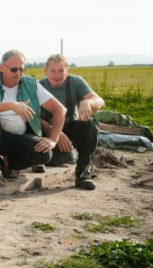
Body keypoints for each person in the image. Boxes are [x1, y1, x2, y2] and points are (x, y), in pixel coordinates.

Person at [0, 50, 66, 184]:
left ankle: (9, 165)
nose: (18, 73)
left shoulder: (31, 84)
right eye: (13, 69)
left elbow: (60, 109)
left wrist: (53, 139)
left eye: (22, 69)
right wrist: (12, 105)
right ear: (2, 67)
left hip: (21, 136)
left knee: (45, 153)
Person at [39, 54, 105, 190]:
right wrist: (55, 133)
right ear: (45, 71)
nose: (57, 75)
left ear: (67, 71)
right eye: (53, 71)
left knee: (90, 126)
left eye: (61, 71)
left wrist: (88, 102)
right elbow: (33, 117)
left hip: (69, 128)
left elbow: (100, 101)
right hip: (44, 131)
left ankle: (83, 175)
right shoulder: (38, 86)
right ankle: (38, 160)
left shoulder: (75, 82)